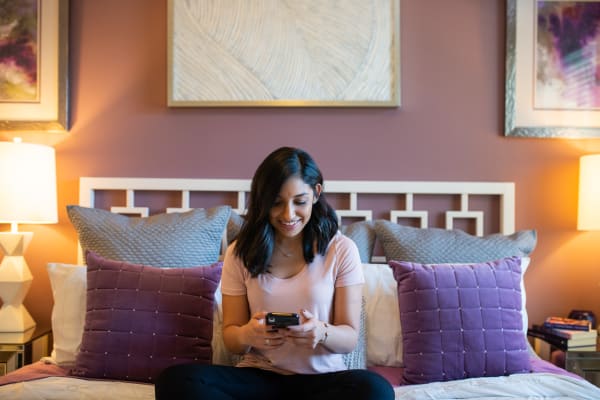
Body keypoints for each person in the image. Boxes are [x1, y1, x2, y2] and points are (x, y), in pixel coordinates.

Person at [155, 147, 394, 400]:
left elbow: (349, 338)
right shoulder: (240, 252)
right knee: (176, 381)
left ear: (316, 194)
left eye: (299, 201)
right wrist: (248, 333)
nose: (288, 214)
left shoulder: (342, 249)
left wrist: (321, 331)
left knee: (376, 390)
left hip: (322, 382)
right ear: (263, 200)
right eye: (276, 203)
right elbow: (232, 338)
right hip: (258, 379)